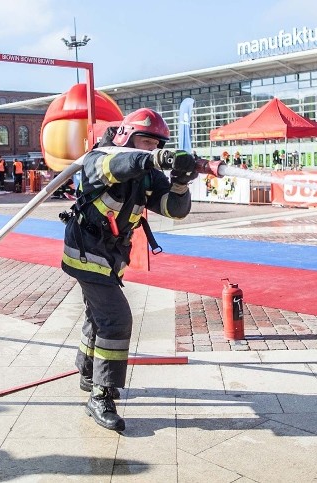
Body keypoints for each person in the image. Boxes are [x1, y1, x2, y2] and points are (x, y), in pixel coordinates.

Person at [61, 108, 197, 431]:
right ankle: (101, 394)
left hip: (108, 257)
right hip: (86, 251)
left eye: (155, 145)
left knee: (98, 315)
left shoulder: (146, 173)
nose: (149, 149)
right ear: (125, 136)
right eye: (144, 142)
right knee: (116, 318)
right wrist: (153, 159)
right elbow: (119, 164)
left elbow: (173, 208)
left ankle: (86, 369)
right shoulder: (100, 158)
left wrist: (179, 182)